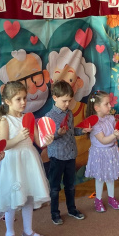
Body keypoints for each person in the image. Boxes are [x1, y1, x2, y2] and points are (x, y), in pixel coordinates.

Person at [0, 81, 53, 236]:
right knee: (13, 198)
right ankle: (9, 233)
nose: (23, 102)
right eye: (18, 99)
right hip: (13, 162)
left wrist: (47, 140)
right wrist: (18, 138)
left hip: (29, 160)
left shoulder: (29, 117)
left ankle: (28, 230)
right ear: (7, 101)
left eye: (24, 98)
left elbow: (38, 142)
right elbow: (4, 144)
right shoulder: (5, 120)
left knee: (28, 196)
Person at [45, 80, 92, 225]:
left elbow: (71, 131)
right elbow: (48, 137)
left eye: (69, 101)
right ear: (55, 98)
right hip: (57, 157)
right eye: (64, 101)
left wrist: (82, 131)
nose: (67, 104)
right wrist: (57, 133)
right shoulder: (49, 116)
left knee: (70, 186)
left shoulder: (69, 113)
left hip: (71, 155)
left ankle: (72, 209)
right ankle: (55, 213)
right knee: (55, 188)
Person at [84, 90, 119, 212]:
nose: (110, 106)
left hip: (111, 152)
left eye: (110, 103)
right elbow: (103, 140)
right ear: (97, 107)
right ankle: (98, 200)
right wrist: (115, 135)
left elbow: (117, 137)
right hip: (100, 153)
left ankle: (111, 198)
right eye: (107, 104)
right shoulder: (94, 123)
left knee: (110, 177)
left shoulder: (111, 118)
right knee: (100, 178)